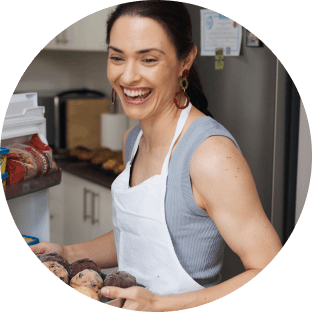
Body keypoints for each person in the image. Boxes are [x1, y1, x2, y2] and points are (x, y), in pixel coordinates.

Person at [30, 2, 282, 310]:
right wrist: (68, 253)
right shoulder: (133, 139)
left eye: (148, 59)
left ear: (185, 60)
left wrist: (159, 304)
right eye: (117, 57)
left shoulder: (210, 155)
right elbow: (138, 236)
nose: (128, 76)